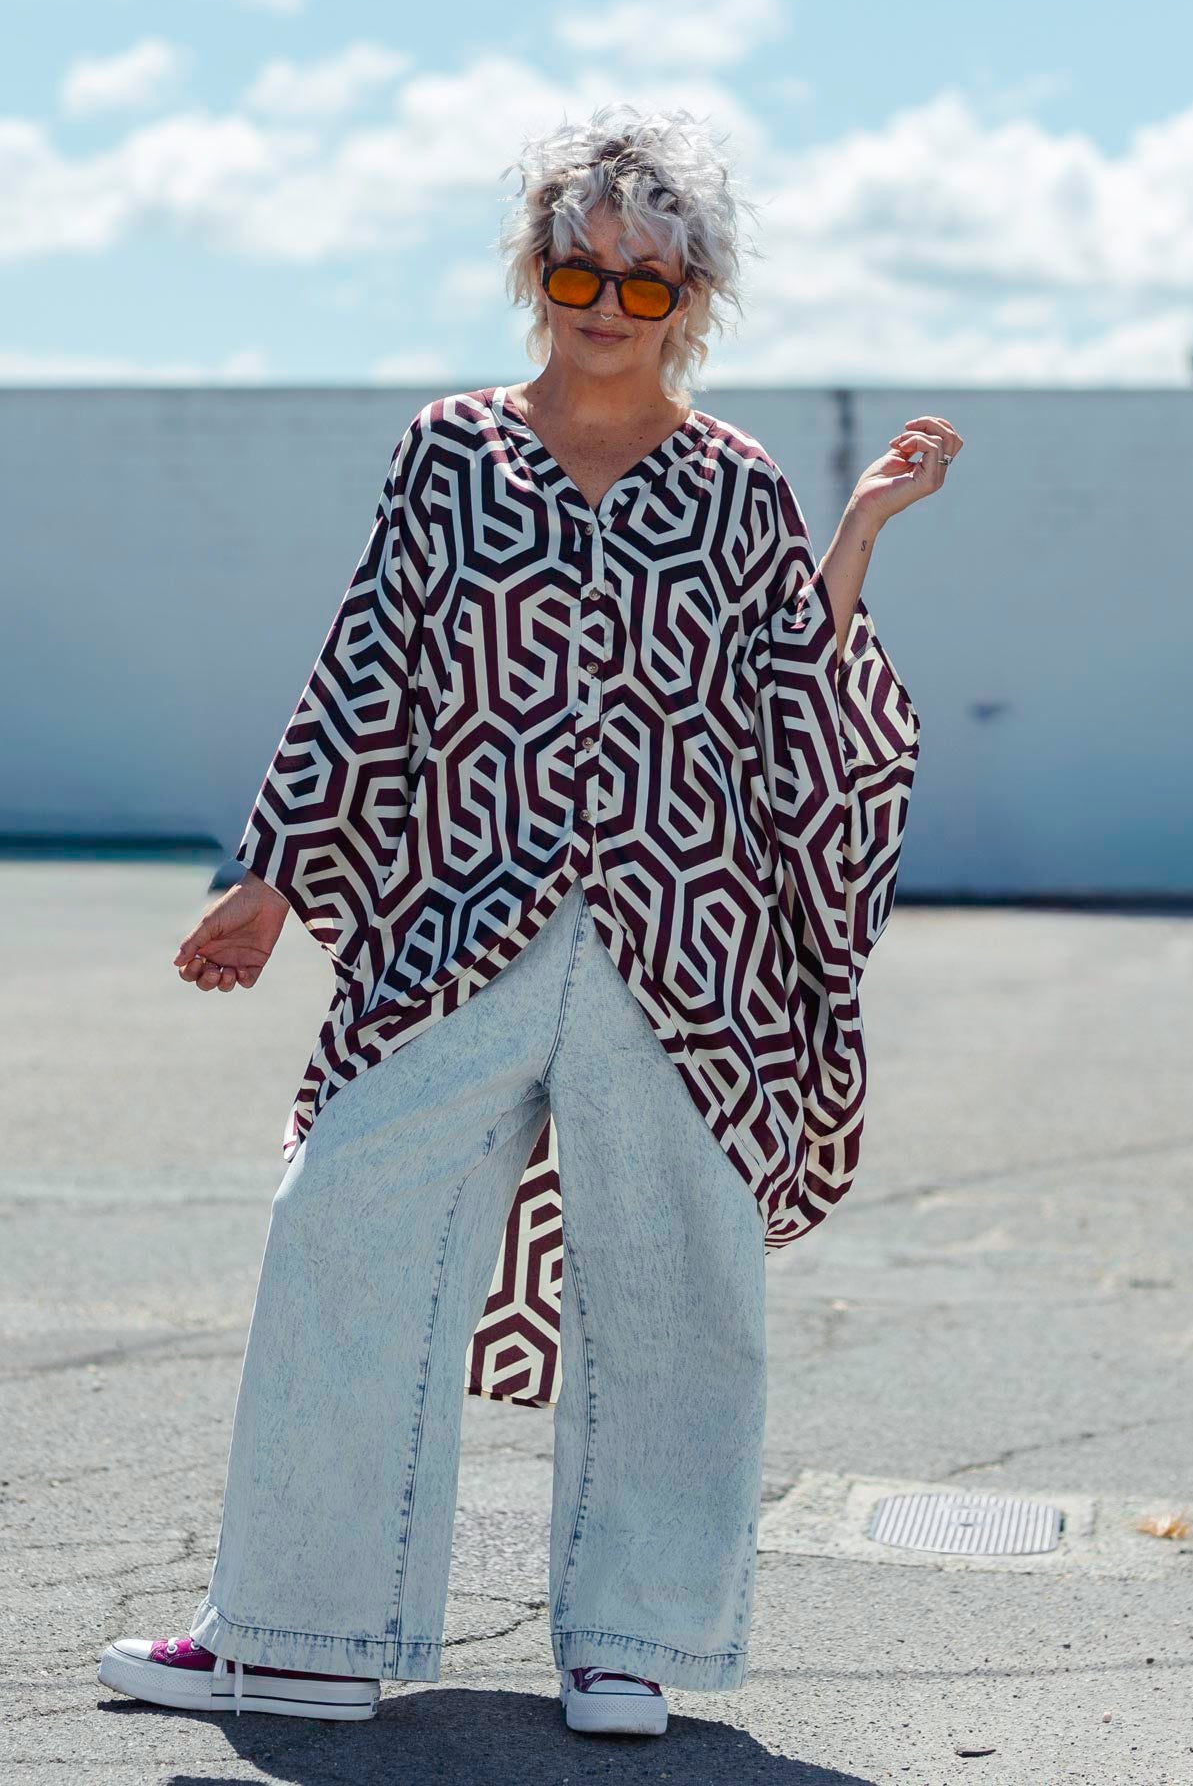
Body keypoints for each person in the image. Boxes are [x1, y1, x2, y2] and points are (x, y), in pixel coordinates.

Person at [97, 102, 959, 1739]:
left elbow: (790, 690)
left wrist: (854, 537)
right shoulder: (451, 452)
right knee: (342, 1223)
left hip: (687, 939)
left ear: (691, 297)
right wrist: (272, 872)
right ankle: (301, 1630)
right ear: (535, 271)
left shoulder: (736, 483)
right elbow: (369, 659)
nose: (606, 305)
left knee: (677, 1284)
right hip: (458, 918)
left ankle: (632, 1641)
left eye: (645, 281)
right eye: (579, 270)